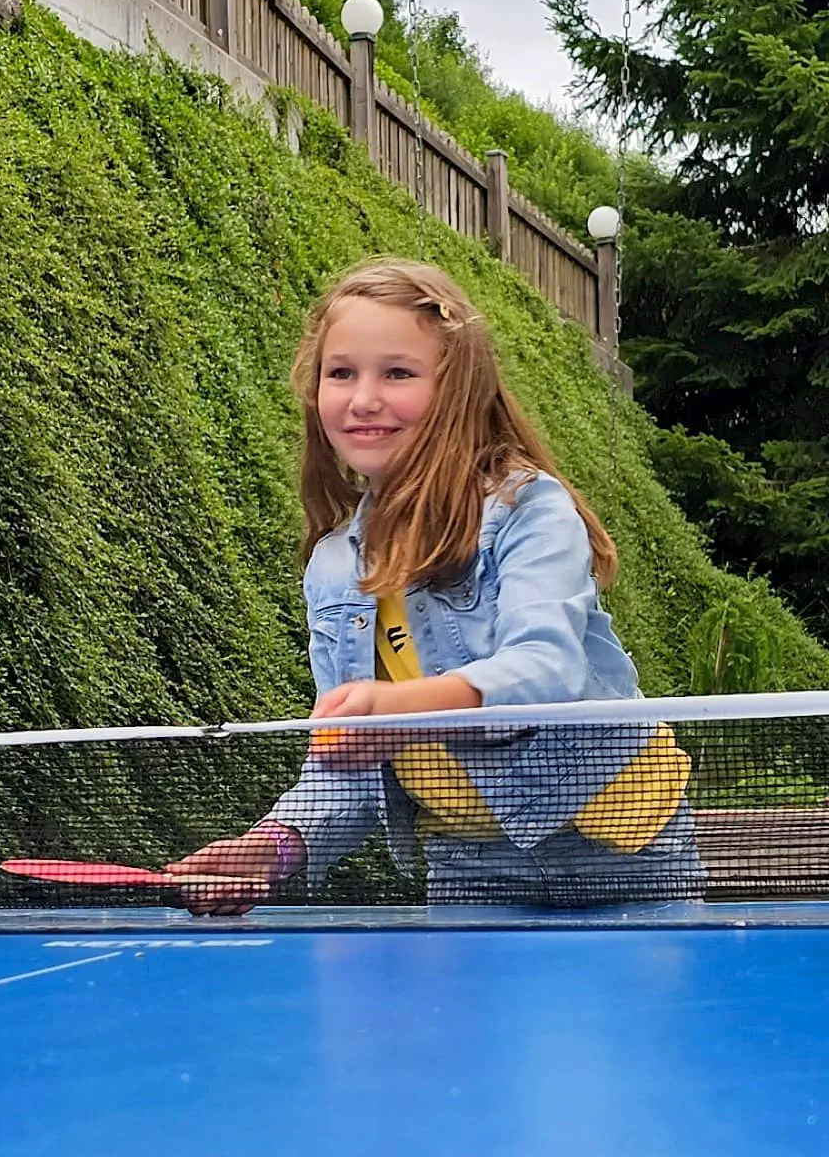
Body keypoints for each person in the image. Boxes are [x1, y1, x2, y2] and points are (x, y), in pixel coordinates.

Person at [165, 258, 706, 913]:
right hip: (468, 865)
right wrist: (274, 846)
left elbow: (545, 671)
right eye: (342, 373)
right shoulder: (334, 567)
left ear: (455, 390)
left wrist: (398, 710)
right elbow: (350, 768)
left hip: (622, 853)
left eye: (398, 373)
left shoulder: (529, 509)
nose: (364, 398)